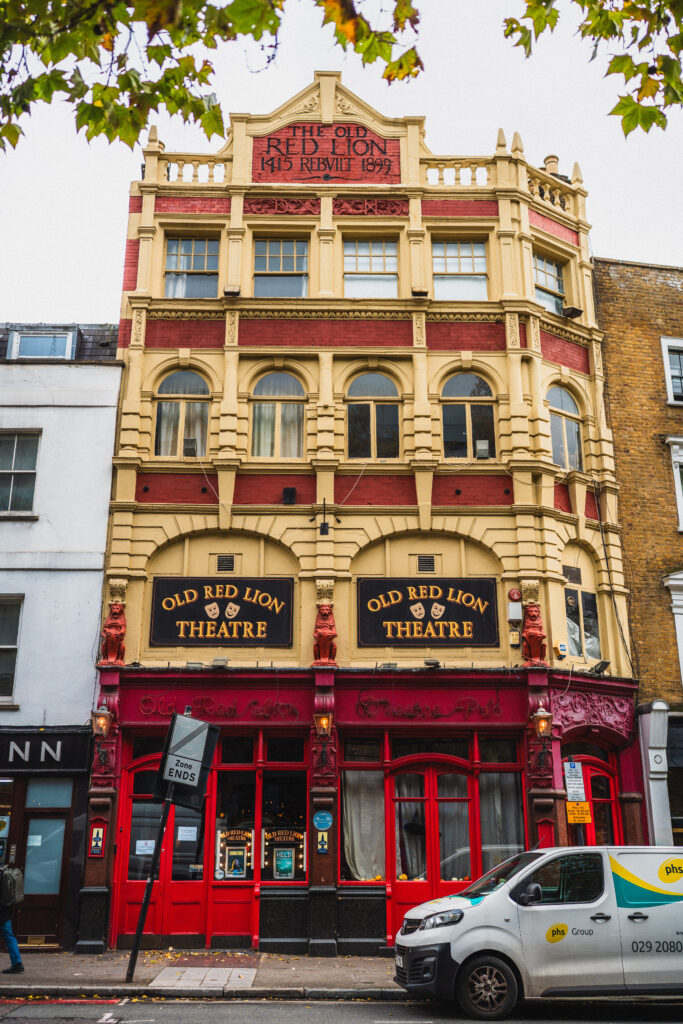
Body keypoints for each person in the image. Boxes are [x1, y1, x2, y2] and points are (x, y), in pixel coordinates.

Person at [0, 905, 23, 973]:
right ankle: (17, 963)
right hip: (6, 912)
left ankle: (17, 964)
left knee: (9, 937)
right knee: (9, 937)